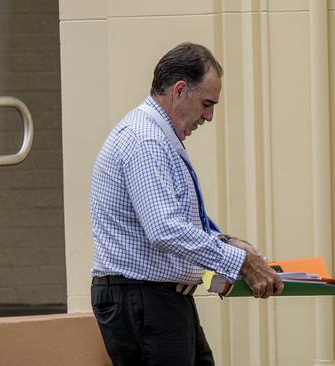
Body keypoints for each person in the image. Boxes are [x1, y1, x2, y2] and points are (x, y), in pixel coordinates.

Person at [89, 42, 283, 366]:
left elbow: (178, 221)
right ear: (180, 90)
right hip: (144, 301)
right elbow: (165, 229)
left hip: (155, 300)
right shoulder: (145, 139)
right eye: (207, 103)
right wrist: (239, 262)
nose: (209, 116)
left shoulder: (156, 136)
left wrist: (226, 242)